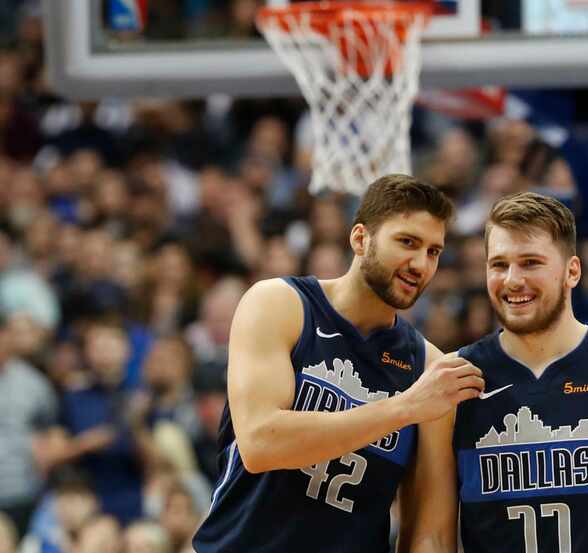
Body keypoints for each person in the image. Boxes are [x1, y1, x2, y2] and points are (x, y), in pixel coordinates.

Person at [398, 191, 588, 553]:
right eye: (499, 265)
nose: (512, 280)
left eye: (530, 263)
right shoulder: (451, 379)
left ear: (572, 271)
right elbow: (432, 537)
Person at [192, 174, 485, 552]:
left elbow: (428, 532)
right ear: (360, 238)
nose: (420, 264)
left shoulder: (428, 366)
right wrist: (403, 408)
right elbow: (261, 443)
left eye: (433, 252)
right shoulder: (280, 305)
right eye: (408, 242)